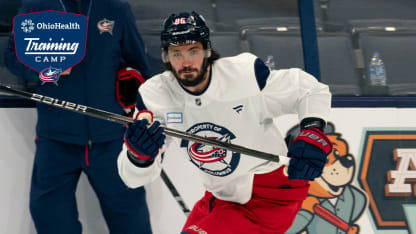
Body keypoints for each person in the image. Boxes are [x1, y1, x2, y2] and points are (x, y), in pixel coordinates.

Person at [118, 11, 333, 234]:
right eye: (177, 53)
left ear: (207, 50)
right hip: (222, 196)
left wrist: (312, 129)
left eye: (193, 50)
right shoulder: (156, 96)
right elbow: (131, 178)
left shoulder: (244, 76)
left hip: (271, 195)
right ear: (166, 57)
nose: (186, 62)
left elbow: (309, 89)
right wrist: (138, 157)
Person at [4, 0, 153, 233]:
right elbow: (12, 58)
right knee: (51, 221)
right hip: (55, 140)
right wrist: (47, 72)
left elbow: (140, 68)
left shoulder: (115, 8)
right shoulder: (36, 5)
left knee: (132, 223)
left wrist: (135, 98)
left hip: (111, 139)